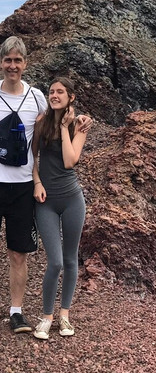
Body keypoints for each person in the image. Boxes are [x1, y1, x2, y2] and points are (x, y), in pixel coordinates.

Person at [31, 77, 91, 339]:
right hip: (45, 201)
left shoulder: (80, 126)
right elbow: (32, 156)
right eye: (51, 91)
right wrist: (36, 182)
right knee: (54, 261)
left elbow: (70, 161)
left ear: (71, 97)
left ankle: (64, 316)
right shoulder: (41, 122)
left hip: (72, 200)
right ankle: (46, 317)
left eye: (60, 92)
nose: (54, 95)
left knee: (70, 259)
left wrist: (67, 126)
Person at [0, 36, 47, 334]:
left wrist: (78, 122)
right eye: (8, 60)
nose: (12, 66)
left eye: (18, 60)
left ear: (26, 63)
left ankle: (16, 312)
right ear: (1, 63)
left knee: (19, 253)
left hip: (21, 188)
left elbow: (42, 142)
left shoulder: (37, 97)